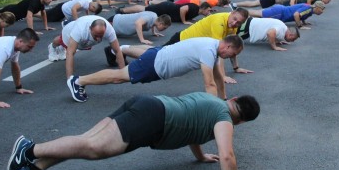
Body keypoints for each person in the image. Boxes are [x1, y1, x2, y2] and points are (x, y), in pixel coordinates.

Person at [5, 91, 261, 170]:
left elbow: (192, 128)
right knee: (93, 148)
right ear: (242, 120)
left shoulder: (213, 101)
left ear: (234, 98)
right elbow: (227, 155)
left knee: (85, 142)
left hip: (146, 103)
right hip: (151, 119)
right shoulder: (225, 119)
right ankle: (29, 150)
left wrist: (201, 155)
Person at [68, 35, 243, 103]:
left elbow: (219, 77)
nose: (231, 58)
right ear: (227, 46)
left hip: (159, 55)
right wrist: (215, 110)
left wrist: (224, 98)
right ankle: (78, 81)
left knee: (142, 57)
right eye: (232, 54)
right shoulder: (209, 50)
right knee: (119, 77)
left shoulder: (212, 46)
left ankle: (122, 49)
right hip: (156, 64)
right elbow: (209, 84)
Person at [47, 16, 126, 88]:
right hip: (69, 31)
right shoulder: (79, 30)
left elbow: (117, 50)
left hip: (84, 39)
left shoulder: (109, 30)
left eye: (101, 36)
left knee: (82, 45)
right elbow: (70, 53)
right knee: (62, 42)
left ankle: (63, 48)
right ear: (90, 28)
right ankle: (52, 47)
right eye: (96, 36)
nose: (98, 39)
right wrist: (70, 79)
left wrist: (122, 73)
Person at [118, 0, 212, 25]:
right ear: (203, 8)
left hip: (168, 8)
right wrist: (184, 21)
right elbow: (182, 9)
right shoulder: (195, 7)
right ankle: (122, 10)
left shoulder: (197, 12)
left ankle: (124, 11)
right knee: (144, 9)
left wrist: (188, 19)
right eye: (208, 10)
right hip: (166, 8)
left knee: (145, 10)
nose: (208, 12)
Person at [247, 1, 324, 29]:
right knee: (258, 14)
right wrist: (300, 26)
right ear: (317, 7)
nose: (322, 11)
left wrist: (304, 22)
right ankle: (239, 13)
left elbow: (302, 15)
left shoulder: (310, 10)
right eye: (321, 9)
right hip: (280, 12)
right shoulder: (308, 8)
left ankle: (243, 15)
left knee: (259, 15)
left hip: (280, 12)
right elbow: (296, 15)